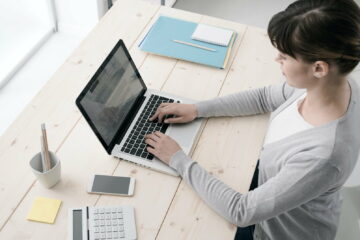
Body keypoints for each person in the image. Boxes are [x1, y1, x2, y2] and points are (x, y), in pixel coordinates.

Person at [144, 0, 360, 239]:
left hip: (274, 232)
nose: (277, 59)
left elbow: (241, 211)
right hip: (274, 187)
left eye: (285, 56)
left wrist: (178, 159)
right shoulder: (337, 84)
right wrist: (197, 109)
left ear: (319, 68)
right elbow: (264, 97)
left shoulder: (323, 156)